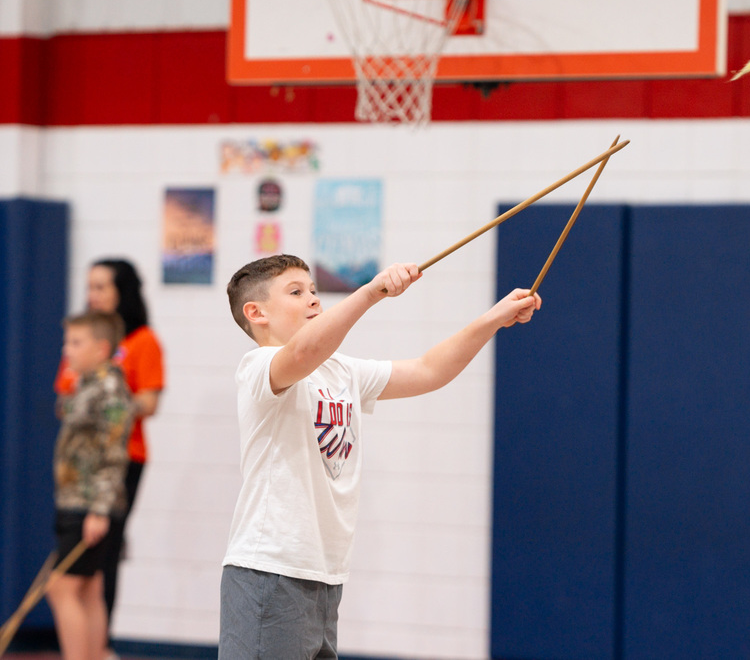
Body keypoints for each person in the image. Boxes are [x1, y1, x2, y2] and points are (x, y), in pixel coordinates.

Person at [219, 254, 541, 658]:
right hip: (270, 571)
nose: (314, 300)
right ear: (256, 312)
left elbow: (429, 370)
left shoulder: (342, 372)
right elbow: (302, 354)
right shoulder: (258, 366)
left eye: (314, 290)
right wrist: (371, 292)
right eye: (297, 292)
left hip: (324, 577)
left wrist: (493, 318)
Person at [54, 259, 164, 657]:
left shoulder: (139, 342)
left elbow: (146, 403)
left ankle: (94, 648)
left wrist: (109, 402)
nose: (93, 294)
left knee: (89, 566)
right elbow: (65, 399)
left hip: (118, 461)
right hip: (82, 469)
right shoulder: (84, 341)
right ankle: (94, 648)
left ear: (122, 291)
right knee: (90, 576)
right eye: (90, 287)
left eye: (102, 287)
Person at [48, 312, 135, 660]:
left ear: (101, 348)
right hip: (78, 500)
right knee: (88, 588)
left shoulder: (110, 390)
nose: (66, 349)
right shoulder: (88, 384)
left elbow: (114, 455)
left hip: (90, 504)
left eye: (76, 342)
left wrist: (98, 510)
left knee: (60, 588)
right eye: (67, 341)